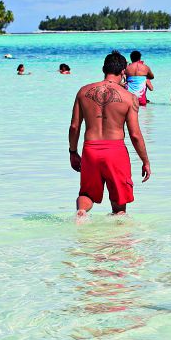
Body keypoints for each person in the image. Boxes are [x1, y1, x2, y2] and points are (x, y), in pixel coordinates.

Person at [69, 50, 151, 217]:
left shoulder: (83, 92)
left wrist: (73, 152)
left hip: (90, 149)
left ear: (103, 69)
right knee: (119, 207)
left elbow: (74, 127)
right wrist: (145, 161)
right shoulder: (129, 97)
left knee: (86, 193)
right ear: (123, 72)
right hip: (115, 151)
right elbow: (135, 134)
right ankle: (118, 238)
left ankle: (81, 212)